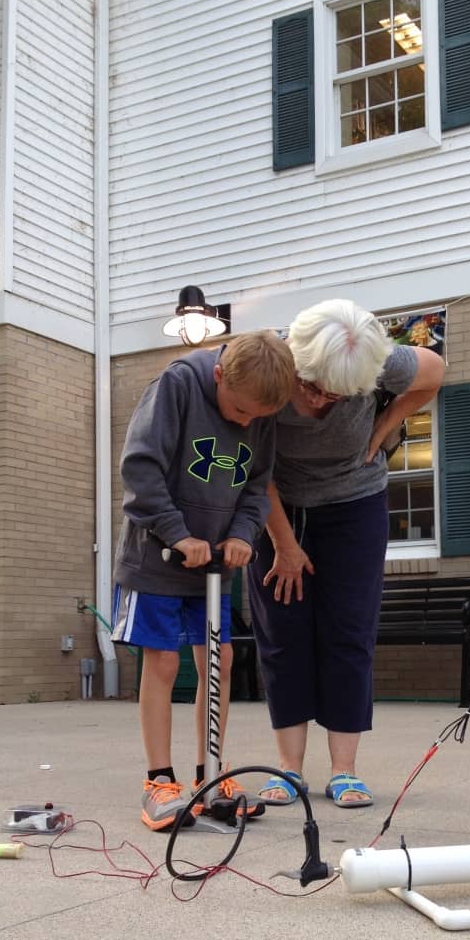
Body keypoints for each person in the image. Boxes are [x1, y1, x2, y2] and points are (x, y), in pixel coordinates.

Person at [248, 299, 445, 807]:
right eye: (313, 389)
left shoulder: (379, 360)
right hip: (278, 505)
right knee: (282, 632)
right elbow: (254, 468)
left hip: (355, 504)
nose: (323, 402)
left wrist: (387, 424)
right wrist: (284, 544)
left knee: (348, 631)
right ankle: (289, 769)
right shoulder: (270, 362)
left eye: (341, 394)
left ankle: (344, 770)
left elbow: (435, 370)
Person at [112, 329, 296, 831]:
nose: (246, 423)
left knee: (220, 659)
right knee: (165, 662)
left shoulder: (259, 408)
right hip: (157, 555)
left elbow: (257, 485)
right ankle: (158, 780)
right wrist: (176, 532)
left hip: (212, 563)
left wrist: (242, 534)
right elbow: (141, 468)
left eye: (257, 417)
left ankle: (209, 775)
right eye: (239, 412)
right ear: (219, 376)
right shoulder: (177, 386)